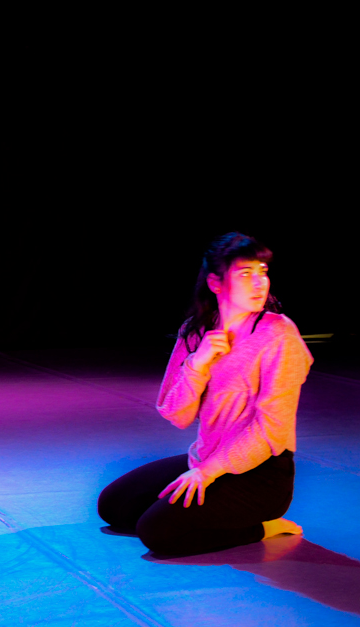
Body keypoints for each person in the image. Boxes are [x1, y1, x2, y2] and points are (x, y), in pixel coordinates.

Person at [97, 232, 312, 556]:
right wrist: (198, 364)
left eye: (263, 272)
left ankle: (264, 527)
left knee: (156, 532)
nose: (259, 283)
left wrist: (208, 472)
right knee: (114, 506)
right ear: (215, 282)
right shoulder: (196, 330)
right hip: (205, 457)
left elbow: (272, 429)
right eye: (245, 274)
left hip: (262, 475)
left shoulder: (279, 334)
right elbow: (177, 414)